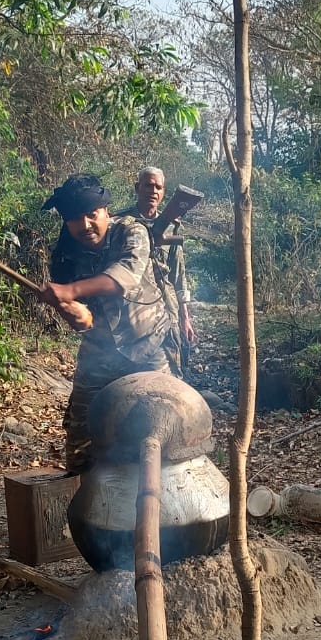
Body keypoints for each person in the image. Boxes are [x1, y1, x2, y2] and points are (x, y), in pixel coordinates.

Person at [39, 174, 171, 473]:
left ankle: (163, 510)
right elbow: (80, 318)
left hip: (147, 346)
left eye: (91, 215)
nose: (84, 225)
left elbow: (125, 275)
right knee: (79, 444)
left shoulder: (131, 231)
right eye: (74, 218)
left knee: (163, 431)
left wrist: (70, 292)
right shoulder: (65, 255)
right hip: (99, 354)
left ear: (105, 211)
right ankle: (85, 510)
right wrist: (77, 315)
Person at [133, 165, 195, 374]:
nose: (153, 191)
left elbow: (178, 273)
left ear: (163, 193)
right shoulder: (120, 222)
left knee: (173, 356)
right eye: (148, 185)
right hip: (134, 307)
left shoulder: (171, 225)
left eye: (158, 187)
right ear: (137, 188)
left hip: (167, 304)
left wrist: (185, 316)